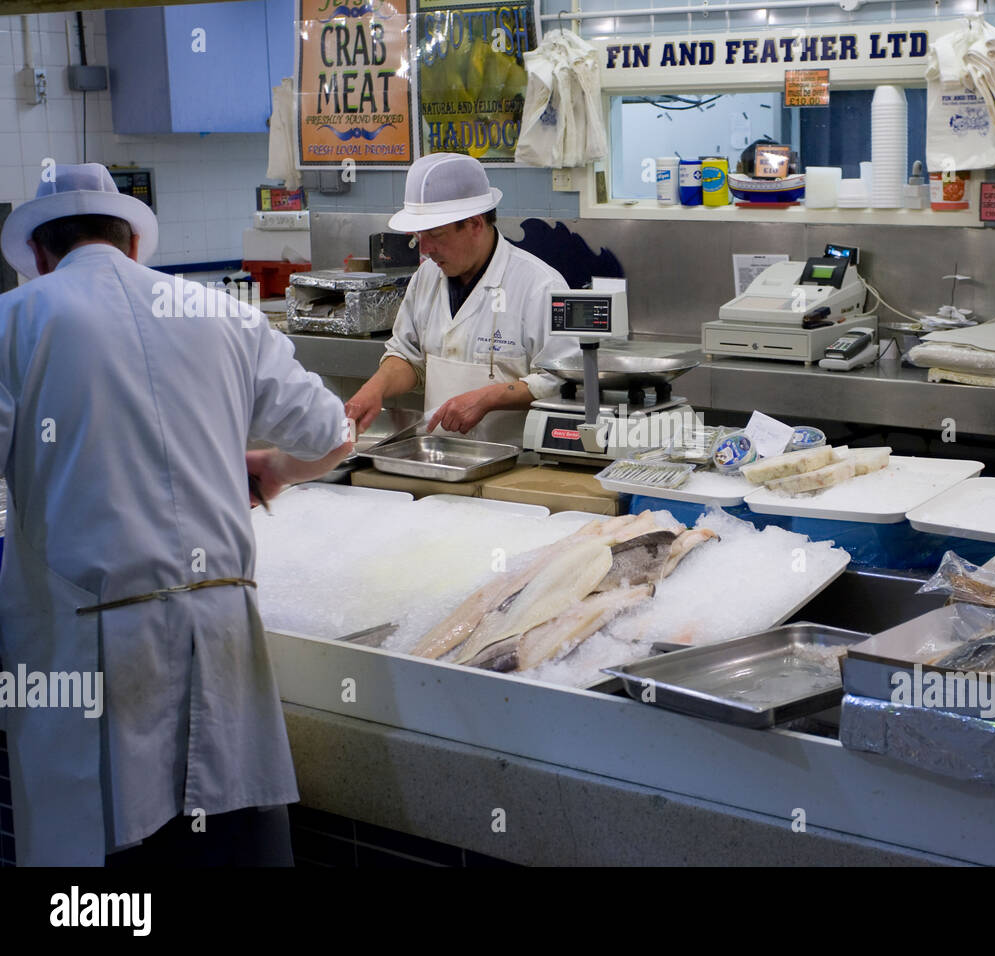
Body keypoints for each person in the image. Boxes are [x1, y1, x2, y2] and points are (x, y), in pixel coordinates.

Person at [0, 163, 354, 866]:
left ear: (39, 254)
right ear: (134, 244)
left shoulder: (17, 320)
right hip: (219, 630)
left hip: (86, 650)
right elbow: (333, 435)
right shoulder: (221, 313)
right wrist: (274, 469)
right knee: (229, 847)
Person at [345, 153, 577, 445]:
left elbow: (560, 380)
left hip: (515, 466)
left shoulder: (540, 286)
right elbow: (408, 355)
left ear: (475, 224)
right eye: (419, 236)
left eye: (436, 235)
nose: (425, 249)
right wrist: (375, 388)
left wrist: (488, 398)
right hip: (440, 456)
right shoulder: (426, 278)